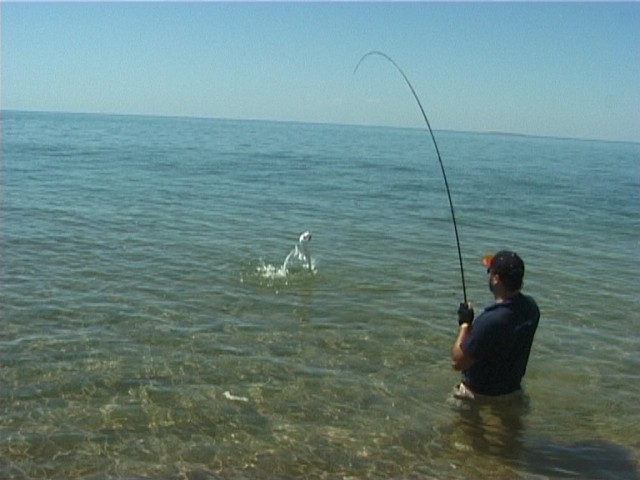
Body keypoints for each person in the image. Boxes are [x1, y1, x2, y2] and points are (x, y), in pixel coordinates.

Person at [450, 250, 540, 402]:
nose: (488, 276)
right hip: (512, 391)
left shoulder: (490, 320)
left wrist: (465, 324)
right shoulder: (531, 308)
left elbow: (458, 362)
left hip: (478, 395)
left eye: (489, 271)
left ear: (496, 278)